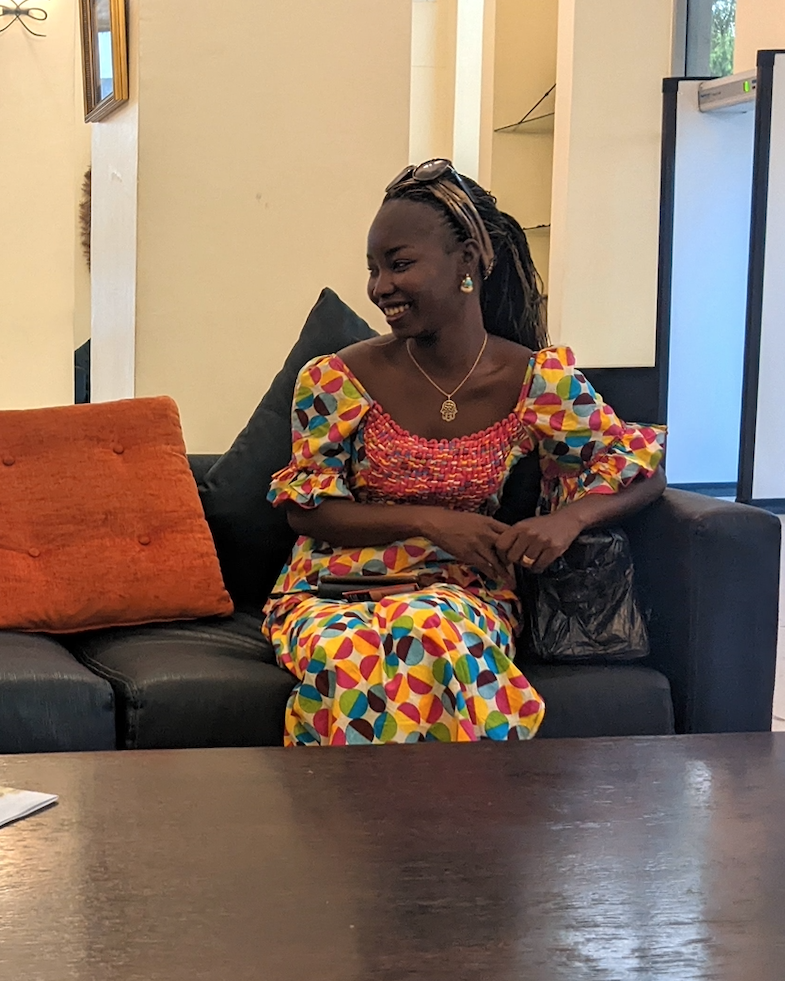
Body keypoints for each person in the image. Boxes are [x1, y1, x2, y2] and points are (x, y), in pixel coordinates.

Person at [265, 159, 665, 745]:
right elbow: (305, 508)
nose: (380, 288)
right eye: (374, 270)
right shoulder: (335, 378)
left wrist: (567, 519)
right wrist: (434, 522)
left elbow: (641, 469)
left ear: (468, 265)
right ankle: (426, 832)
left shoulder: (536, 380)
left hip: (460, 593)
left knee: (433, 632)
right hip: (331, 593)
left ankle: (411, 831)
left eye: (399, 265)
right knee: (357, 656)